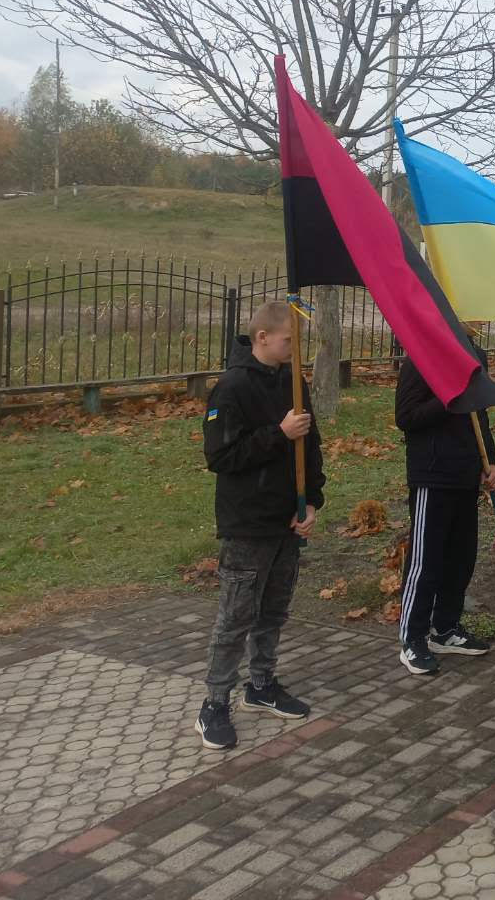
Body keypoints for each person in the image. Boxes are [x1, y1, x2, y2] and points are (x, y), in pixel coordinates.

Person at [195, 300, 323, 750]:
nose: (295, 347)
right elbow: (221, 457)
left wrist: (313, 503)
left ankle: (262, 685)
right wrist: (277, 434)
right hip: (247, 523)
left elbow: (313, 445)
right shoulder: (231, 388)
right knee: (236, 617)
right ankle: (214, 703)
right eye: (290, 340)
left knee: (273, 611)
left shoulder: (294, 382)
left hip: (288, 520)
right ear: (262, 338)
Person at [393, 340, 495, 675]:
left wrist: (490, 461)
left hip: (467, 474)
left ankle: (446, 628)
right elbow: (406, 417)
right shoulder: (421, 359)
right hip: (433, 475)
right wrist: (451, 396)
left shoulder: (474, 355)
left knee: (461, 557)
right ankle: (413, 638)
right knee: (426, 561)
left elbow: (478, 414)